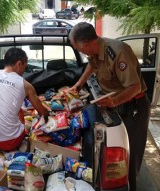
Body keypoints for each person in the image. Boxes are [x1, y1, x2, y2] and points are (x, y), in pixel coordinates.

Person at [68, 22, 150, 191]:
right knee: (110, 150)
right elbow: (92, 64)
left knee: (128, 156)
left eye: (80, 49)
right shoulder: (95, 50)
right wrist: (78, 84)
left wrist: (114, 101)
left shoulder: (117, 52)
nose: (81, 53)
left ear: (87, 43)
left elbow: (134, 87)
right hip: (116, 104)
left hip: (133, 107)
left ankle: (131, 187)